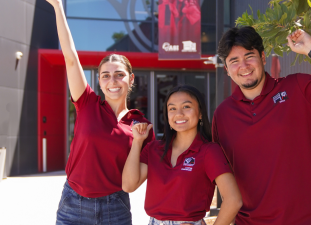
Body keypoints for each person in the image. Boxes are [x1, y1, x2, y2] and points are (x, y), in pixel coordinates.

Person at [213, 26, 311, 225]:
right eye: (234, 61)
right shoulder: (223, 115)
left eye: (249, 56)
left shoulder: (297, 87)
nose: (244, 65)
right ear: (226, 69)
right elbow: (217, 173)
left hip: (310, 220)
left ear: (263, 57)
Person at [46, 1, 155, 224]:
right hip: (72, 205)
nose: (112, 81)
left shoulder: (142, 126)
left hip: (114, 208)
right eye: (105, 75)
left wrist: (137, 142)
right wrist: (58, 6)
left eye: (119, 74)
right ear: (99, 80)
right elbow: (70, 57)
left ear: (131, 79)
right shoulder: (87, 103)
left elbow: (131, 185)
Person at [122, 85, 242, 225]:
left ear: (200, 113)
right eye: (172, 108)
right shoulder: (153, 148)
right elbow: (128, 186)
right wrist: (137, 141)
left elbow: (233, 200)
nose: (179, 113)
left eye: (186, 106)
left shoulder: (209, 151)